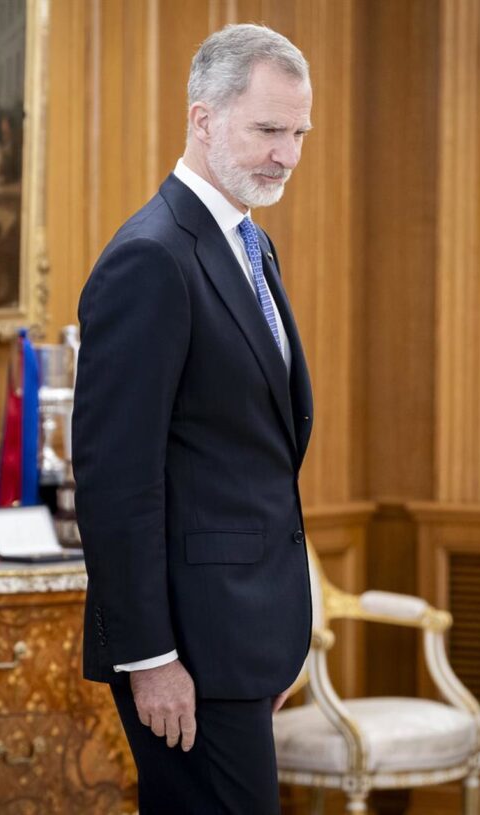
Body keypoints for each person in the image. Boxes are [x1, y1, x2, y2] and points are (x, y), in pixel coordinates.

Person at [72, 23, 315, 815]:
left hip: (243, 643)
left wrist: (273, 648)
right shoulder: (151, 256)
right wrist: (150, 656)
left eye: (299, 133)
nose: (287, 154)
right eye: (269, 130)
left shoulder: (251, 244)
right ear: (202, 120)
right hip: (184, 651)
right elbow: (115, 479)